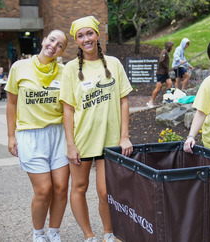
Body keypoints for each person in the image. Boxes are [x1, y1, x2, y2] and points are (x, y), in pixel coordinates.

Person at [60, 16, 133, 242]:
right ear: (76, 40)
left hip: (109, 141)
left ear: (97, 35)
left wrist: (124, 136)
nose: (86, 39)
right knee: (79, 188)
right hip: (82, 141)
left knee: (105, 192)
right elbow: (68, 110)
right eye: (80, 36)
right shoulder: (71, 69)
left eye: (89, 33)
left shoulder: (114, 63)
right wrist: (70, 145)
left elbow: (123, 101)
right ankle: (88, 235)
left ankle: (108, 233)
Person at [5, 30, 69, 242]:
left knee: (60, 187)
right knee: (44, 189)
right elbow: (12, 103)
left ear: (61, 51)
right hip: (30, 134)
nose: (54, 45)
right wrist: (10, 136)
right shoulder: (19, 67)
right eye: (52, 40)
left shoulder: (64, 72)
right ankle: (38, 233)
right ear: (43, 41)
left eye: (60, 44)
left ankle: (54, 231)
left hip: (58, 134)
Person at [146, 41, 174, 108]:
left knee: (170, 84)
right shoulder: (164, 52)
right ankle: (151, 102)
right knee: (158, 88)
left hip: (165, 73)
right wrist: (166, 67)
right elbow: (161, 61)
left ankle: (167, 99)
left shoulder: (166, 52)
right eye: (172, 46)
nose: (172, 48)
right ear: (169, 46)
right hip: (161, 73)